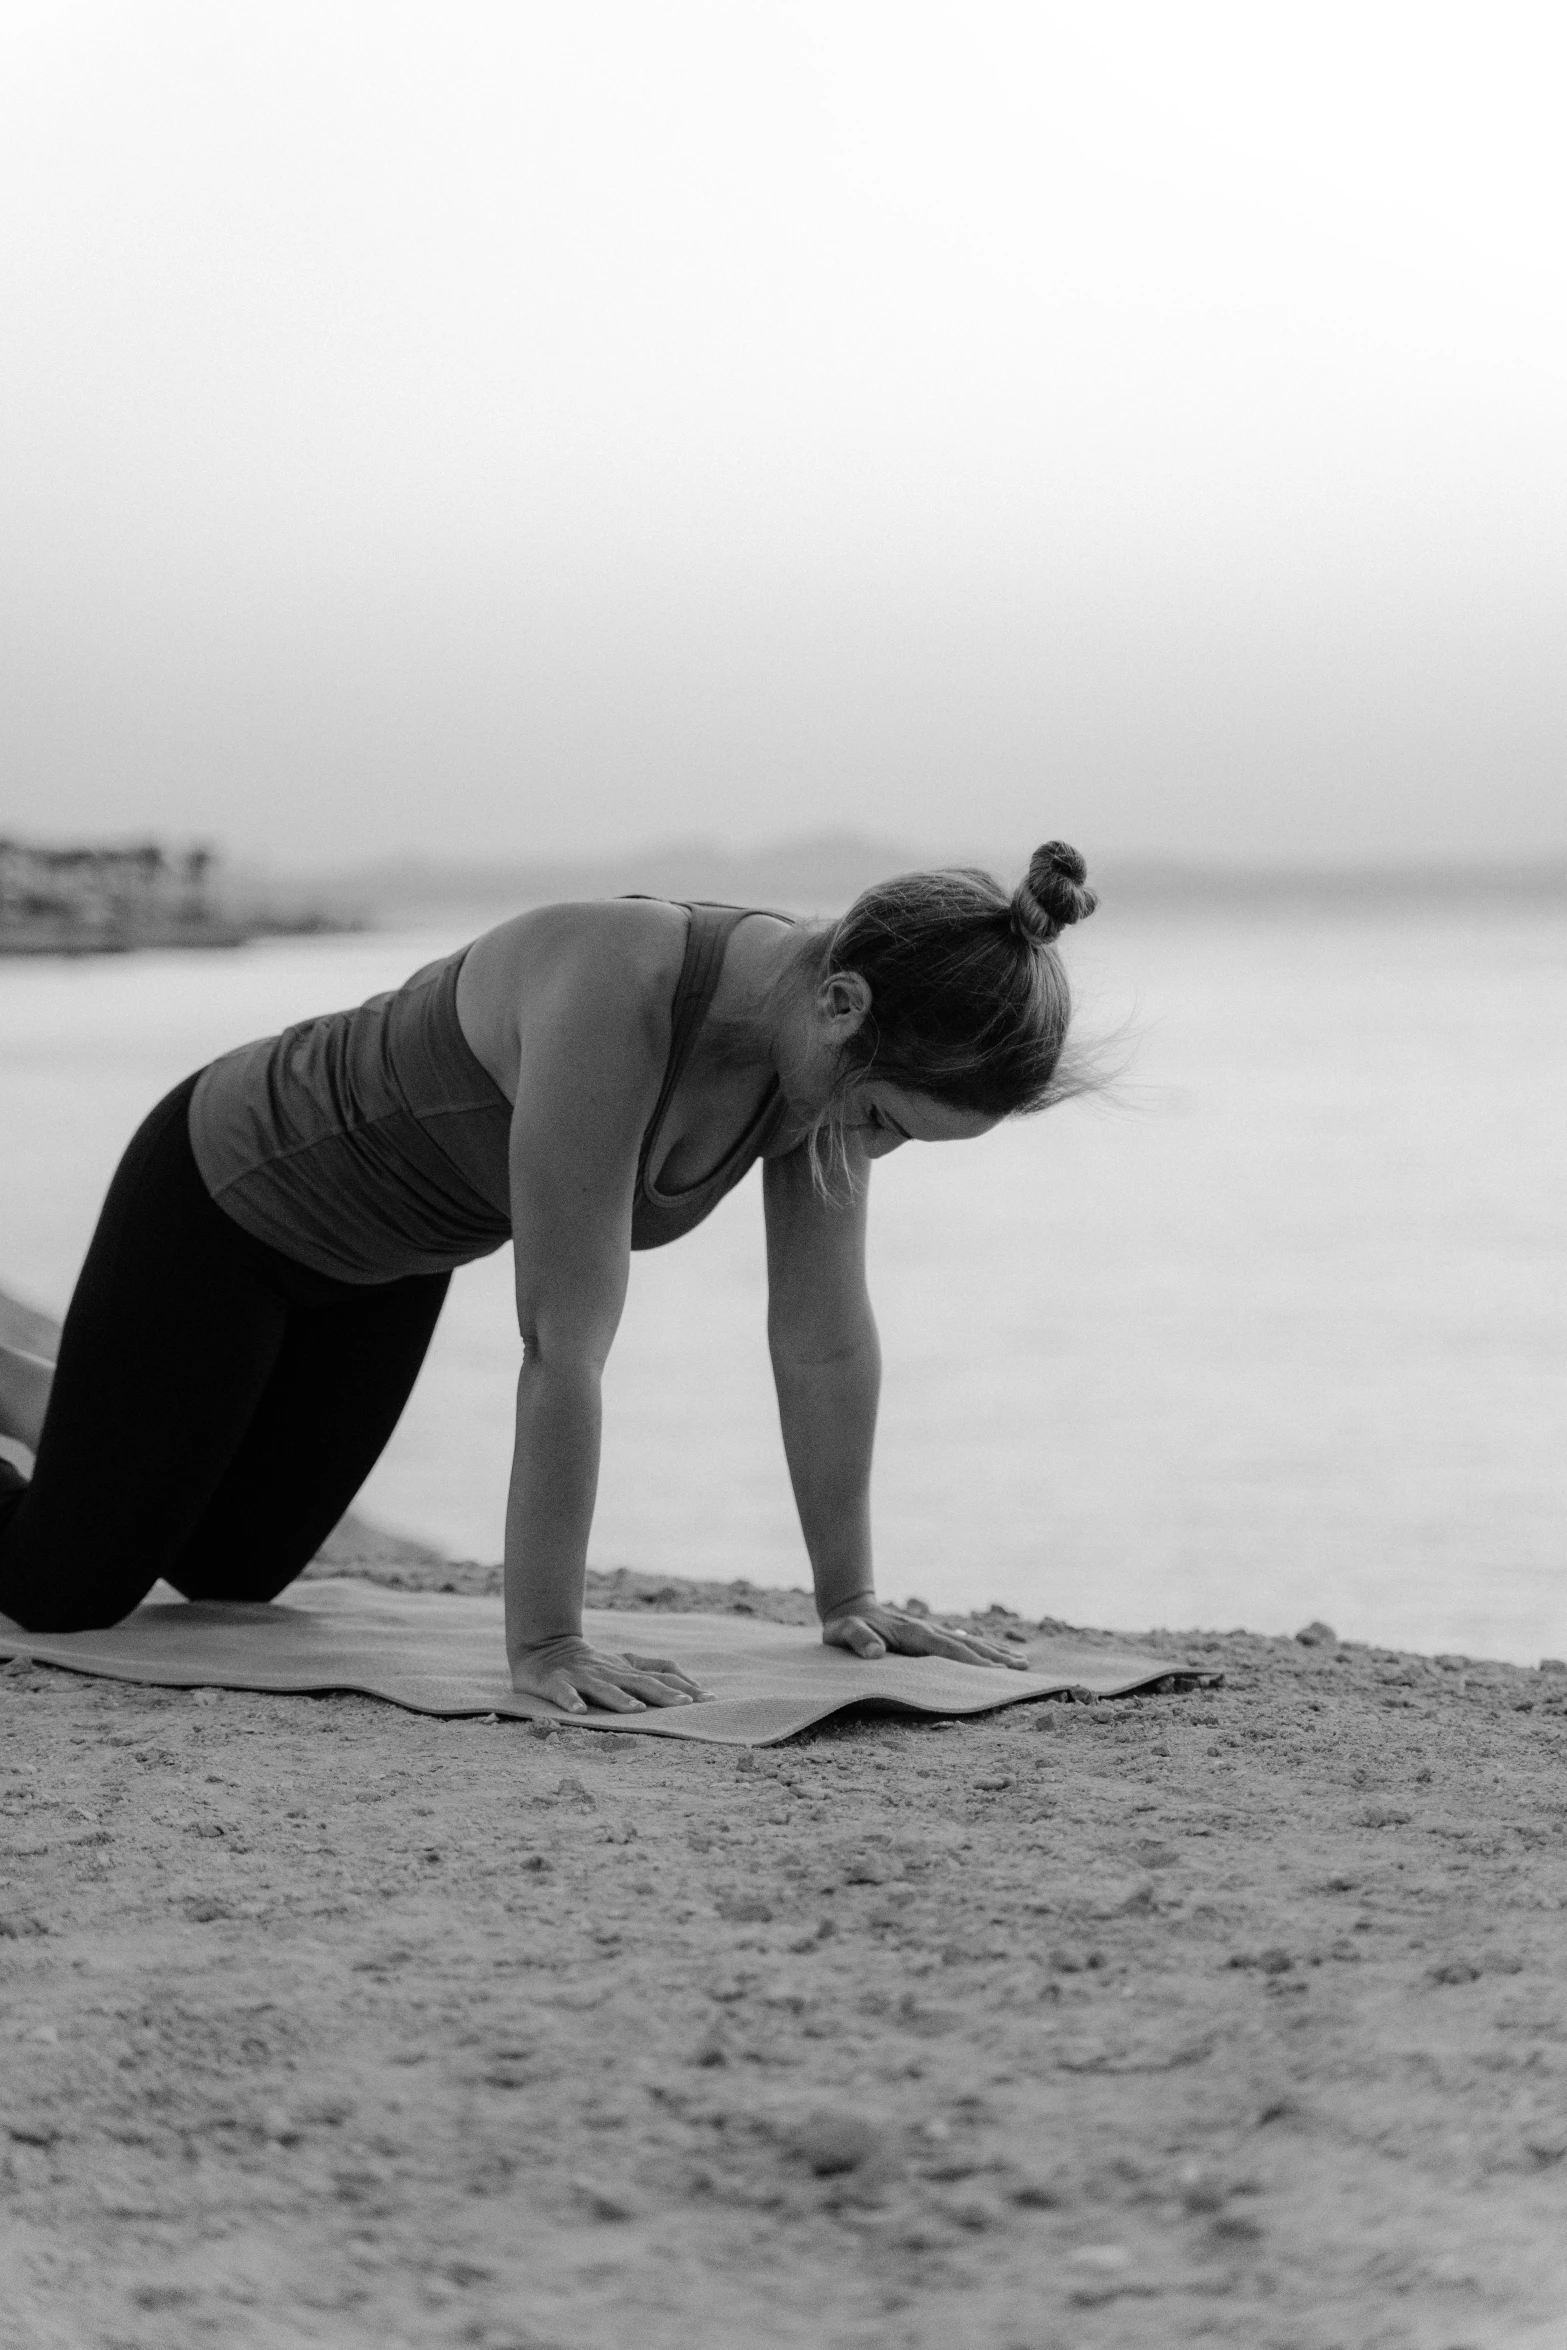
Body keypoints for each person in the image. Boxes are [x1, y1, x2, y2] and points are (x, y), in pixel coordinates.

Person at [0, 842, 1096, 1713]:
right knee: (64, 1590)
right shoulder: (614, 988)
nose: (870, 1147)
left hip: (389, 1264)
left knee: (229, 1574)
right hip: (230, 1194)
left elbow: (822, 1338)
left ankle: (74, 1399)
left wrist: (849, 1597)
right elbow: (562, 1344)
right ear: (842, 1003)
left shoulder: (822, 1066)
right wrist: (546, 1640)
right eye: (880, 1119)